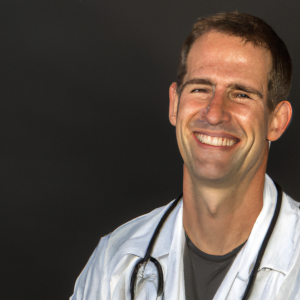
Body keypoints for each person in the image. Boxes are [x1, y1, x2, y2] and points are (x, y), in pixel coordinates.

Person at [70, 12, 300, 300]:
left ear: (277, 120)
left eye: (241, 94)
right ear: (175, 104)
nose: (215, 113)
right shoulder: (116, 261)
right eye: (201, 88)